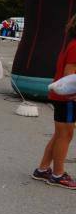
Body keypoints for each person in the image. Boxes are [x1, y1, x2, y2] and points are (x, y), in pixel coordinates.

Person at [32, 14, 76, 189]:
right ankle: (58, 174)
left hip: (62, 98)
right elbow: (70, 74)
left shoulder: (71, 44)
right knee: (66, 135)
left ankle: (43, 169)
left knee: (60, 135)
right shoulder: (75, 46)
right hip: (67, 98)